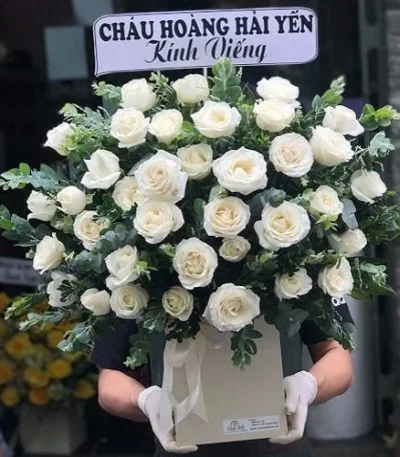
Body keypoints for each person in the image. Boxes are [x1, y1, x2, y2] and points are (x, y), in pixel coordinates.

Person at [93, 297, 354, 457]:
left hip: (280, 447)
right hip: (183, 448)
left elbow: (337, 355)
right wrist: (145, 401)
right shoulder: (138, 262)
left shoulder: (299, 248)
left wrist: (308, 385)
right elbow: (110, 379)